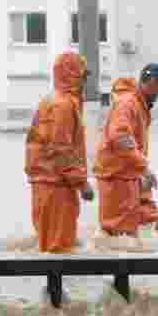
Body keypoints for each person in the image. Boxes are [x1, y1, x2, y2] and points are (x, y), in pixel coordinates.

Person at [24, 51, 96, 253]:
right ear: (72, 74)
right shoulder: (63, 106)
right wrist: (82, 183)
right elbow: (60, 149)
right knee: (59, 250)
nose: (85, 81)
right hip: (56, 186)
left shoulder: (52, 101)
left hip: (48, 183)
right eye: (83, 75)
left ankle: (50, 285)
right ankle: (55, 286)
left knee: (50, 249)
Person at [92, 63, 158, 239]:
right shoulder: (127, 104)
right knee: (120, 234)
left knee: (152, 223)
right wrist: (144, 167)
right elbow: (120, 138)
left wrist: (141, 171)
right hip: (117, 176)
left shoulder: (139, 104)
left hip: (132, 174)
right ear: (152, 82)